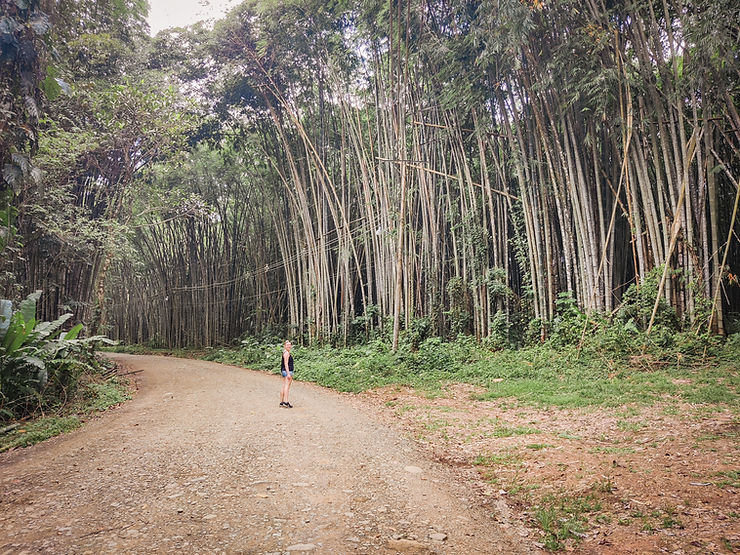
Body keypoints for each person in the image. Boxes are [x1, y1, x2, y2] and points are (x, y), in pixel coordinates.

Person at [279, 340, 294, 408]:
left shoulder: (285, 352)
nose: (289, 346)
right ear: (284, 346)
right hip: (287, 371)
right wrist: (288, 373)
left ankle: (282, 402)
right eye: (287, 345)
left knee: (284, 386)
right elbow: (286, 364)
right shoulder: (286, 353)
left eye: (290, 345)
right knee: (287, 387)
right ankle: (286, 401)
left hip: (285, 371)